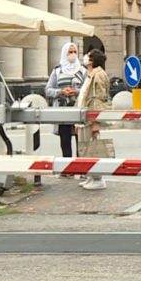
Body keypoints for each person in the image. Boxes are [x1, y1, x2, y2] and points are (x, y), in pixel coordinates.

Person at [45, 42, 87, 158]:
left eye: (74, 52)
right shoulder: (57, 71)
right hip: (63, 111)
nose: (73, 54)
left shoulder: (83, 70)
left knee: (81, 142)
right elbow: (48, 90)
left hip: (79, 110)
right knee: (65, 141)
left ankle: (81, 167)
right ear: (64, 53)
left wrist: (76, 91)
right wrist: (60, 92)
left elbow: (87, 88)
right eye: (70, 52)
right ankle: (67, 168)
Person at [77, 49, 110, 190]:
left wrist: (96, 121)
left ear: (92, 60)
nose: (85, 58)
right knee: (85, 148)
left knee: (93, 148)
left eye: (88, 56)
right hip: (85, 116)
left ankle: (98, 178)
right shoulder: (90, 74)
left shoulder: (99, 75)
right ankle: (90, 176)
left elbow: (99, 98)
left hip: (91, 117)